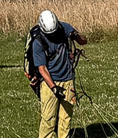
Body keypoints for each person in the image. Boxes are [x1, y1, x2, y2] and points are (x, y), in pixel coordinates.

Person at [30, 9, 87, 138]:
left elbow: (84, 41)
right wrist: (54, 88)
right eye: (50, 34)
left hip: (68, 80)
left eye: (55, 32)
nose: (53, 36)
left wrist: (76, 36)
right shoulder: (38, 42)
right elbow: (42, 68)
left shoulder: (64, 28)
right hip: (49, 83)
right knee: (48, 119)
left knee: (65, 118)